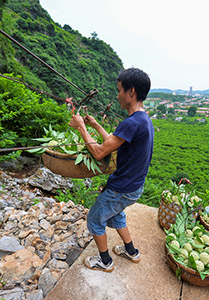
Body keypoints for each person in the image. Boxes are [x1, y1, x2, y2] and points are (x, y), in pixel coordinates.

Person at [69, 68, 154, 272]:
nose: (117, 96)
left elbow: (98, 153)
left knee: (95, 220)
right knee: (116, 216)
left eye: (119, 90)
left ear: (130, 92)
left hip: (121, 188)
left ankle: (105, 261)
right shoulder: (144, 120)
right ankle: (132, 252)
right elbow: (113, 142)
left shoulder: (131, 123)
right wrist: (96, 125)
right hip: (134, 187)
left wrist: (80, 127)